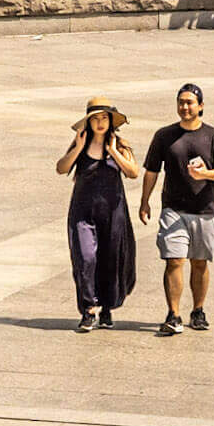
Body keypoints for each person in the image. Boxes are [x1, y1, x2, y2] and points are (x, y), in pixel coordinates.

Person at [139, 84, 214, 338]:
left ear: (201, 106)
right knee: (174, 260)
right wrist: (145, 201)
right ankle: (173, 314)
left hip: (204, 209)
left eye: (190, 102)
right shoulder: (164, 136)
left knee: (199, 263)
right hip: (173, 208)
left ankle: (198, 310)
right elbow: (151, 170)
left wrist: (206, 174)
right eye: (181, 102)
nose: (185, 107)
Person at [56, 98, 139, 332]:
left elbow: (133, 172)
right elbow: (61, 168)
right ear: (88, 123)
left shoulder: (120, 145)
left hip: (113, 213)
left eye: (104, 118)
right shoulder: (79, 145)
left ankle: (107, 308)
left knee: (110, 260)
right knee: (86, 257)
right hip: (83, 212)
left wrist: (113, 150)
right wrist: (78, 149)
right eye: (95, 119)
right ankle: (89, 308)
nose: (100, 123)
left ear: (111, 121)